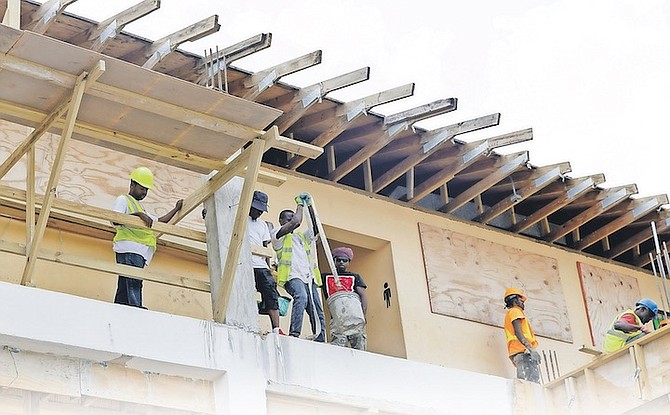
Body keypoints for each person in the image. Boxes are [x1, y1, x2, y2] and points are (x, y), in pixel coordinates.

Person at [112, 167, 183, 308]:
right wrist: (139, 215)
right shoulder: (124, 200)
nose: (144, 192)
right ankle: (136, 308)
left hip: (137, 250)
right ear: (132, 185)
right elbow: (116, 219)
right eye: (142, 188)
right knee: (133, 280)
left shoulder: (141, 208)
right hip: (129, 248)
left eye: (146, 190)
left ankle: (119, 307)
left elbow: (158, 222)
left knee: (126, 281)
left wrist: (176, 209)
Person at [272, 193, 325, 342]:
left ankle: (320, 337)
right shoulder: (277, 234)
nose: (291, 220)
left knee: (316, 307)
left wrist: (309, 207)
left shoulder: (301, 237)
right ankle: (294, 334)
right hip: (292, 276)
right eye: (288, 218)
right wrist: (299, 206)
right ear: (281, 220)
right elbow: (296, 222)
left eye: (292, 217)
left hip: (308, 277)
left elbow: (316, 227)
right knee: (301, 297)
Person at [247, 190, 284, 335]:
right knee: (246, 294)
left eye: (261, 210)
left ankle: (276, 329)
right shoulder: (240, 216)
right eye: (256, 208)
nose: (259, 212)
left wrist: (268, 268)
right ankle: (248, 322)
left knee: (271, 295)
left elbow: (265, 247)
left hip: (261, 266)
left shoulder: (262, 224)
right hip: (245, 264)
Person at [322, 247, 368, 350]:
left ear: (348, 262)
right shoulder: (325, 277)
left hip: (355, 319)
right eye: (338, 260)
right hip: (337, 321)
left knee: (359, 350)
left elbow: (363, 296)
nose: (341, 262)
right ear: (333, 261)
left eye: (345, 260)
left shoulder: (355, 277)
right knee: (338, 350)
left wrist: (364, 315)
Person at [503, 288, 541, 383]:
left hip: (520, 353)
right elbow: (518, 332)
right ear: (515, 300)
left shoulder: (512, 313)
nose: (523, 302)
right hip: (523, 352)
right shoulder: (515, 311)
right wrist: (531, 349)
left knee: (527, 384)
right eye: (521, 300)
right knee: (530, 385)